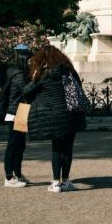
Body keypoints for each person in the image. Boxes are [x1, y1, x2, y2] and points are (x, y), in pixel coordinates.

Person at [22, 45, 87, 192]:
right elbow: (79, 88)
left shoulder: (43, 75)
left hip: (52, 116)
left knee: (57, 149)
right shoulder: (69, 72)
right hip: (71, 114)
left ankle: (56, 182)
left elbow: (26, 92)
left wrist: (33, 78)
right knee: (68, 148)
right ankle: (66, 180)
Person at [0, 44, 31, 187]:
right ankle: (9, 177)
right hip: (17, 111)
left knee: (20, 144)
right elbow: (26, 90)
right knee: (13, 145)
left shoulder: (13, 71)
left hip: (20, 110)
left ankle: (17, 173)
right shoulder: (19, 73)